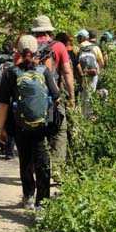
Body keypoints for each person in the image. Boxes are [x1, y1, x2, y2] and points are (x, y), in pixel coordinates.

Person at [0, 34, 60, 212]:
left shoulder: (11, 72)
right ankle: (43, 203)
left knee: (25, 160)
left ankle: (28, 197)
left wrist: (1, 129)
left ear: (17, 51)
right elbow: (56, 96)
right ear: (36, 51)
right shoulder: (44, 71)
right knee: (42, 162)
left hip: (20, 125)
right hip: (42, 125)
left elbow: (4, 103)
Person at [28, 15, 74, 169]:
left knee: (33, 131)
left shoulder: (27, 46)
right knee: (60, 129)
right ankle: (57, 168)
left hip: (30, 98)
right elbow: (67, 72)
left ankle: (36, 165)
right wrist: (71, 97)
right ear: (49, 30)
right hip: (54, 96)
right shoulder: (59, 46)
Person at [0, 38, 16, 159]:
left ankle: (2, 144)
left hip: (0, 91)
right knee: (11, 118)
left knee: (2, 118)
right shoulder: (16, 58)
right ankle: (9, 151)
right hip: (13, 92)